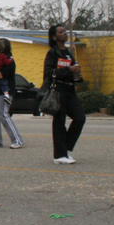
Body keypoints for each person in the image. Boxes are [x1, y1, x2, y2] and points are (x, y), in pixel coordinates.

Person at [42, 24, 86, 165]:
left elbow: (73, 71)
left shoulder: (68, 52)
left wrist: (77, 76)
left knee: (80, 118)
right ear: (54, 36)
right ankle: (59, 155)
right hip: (58, 90)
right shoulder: (52, 53)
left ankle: (65, 148)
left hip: (70, 90)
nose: (64, 34)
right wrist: (68, 69)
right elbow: (49, 72)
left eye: (65, 31)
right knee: (59, 122)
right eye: (61, 32)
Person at [0, 39, 25, 149]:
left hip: (4, 91)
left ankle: (17, 140)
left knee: (3, 114)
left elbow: (4, 74)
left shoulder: (8, 59)